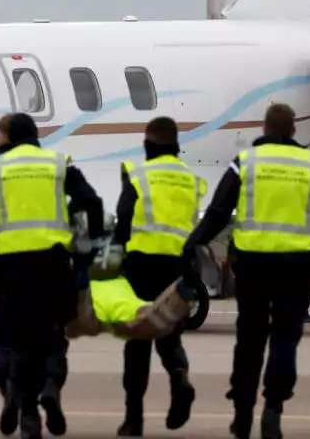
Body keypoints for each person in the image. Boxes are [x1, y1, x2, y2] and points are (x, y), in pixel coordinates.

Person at [182, 103, 310, 439]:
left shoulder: (245, 164)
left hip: (253, 268)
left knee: (249, 341)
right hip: (297, 269)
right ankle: (273, 408)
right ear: (294, 131)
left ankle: (241, 410)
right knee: (285, 340)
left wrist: (192, 244)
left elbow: (219, 212)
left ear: (264, 130)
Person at [0, 112, 105, 438]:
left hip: (13, 267)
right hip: (54, 264)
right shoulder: (60, 164)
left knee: (20, 340)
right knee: (54, 335)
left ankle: (28, 412)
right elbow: (91, 201)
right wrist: (89, 246)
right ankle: (51, 383)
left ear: (7, 137)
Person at [110, 116, 204, 436]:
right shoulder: (192, 180)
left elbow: (122, 223)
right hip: (176, 269)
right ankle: (179, 376)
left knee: (137, 342)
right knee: (169, 334)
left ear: (149, 144)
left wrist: (111, 263)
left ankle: (133, 419)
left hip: (140, 266)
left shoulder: (138, 176)